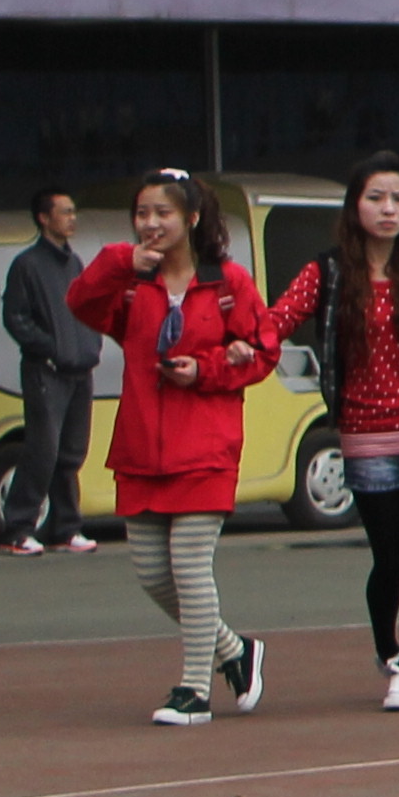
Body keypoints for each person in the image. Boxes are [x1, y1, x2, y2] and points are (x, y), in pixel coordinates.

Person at [256, 153, 399, 712]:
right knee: (390, 557)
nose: (389, 209)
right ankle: (389, 650)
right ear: (354, 206)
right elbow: (276, 321)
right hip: (365, 433)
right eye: (376, 198)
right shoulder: (329, 271)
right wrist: (235, 343)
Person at [68, 172, 273, 726]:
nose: (151, 224)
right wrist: (120, 261)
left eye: (163, 213)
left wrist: (206, 369)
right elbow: (80, 302)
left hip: (205, 446)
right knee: (152, 574)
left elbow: (262, 350)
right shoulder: (131, 284)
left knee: (188, 565)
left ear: (192, 219)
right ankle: (235, 650)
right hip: (140, 447)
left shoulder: (227, 282)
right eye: (142, 214)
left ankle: (193, 691)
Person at [0, 186, 101, 552]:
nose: (72, 218)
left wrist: (89, 344)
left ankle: (66, 528)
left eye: (74, 211)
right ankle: (18, 528)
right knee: (42, 450)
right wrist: (51, 349)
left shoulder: (74, 263)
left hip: (79, 369)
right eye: (65, 212)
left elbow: (86, 309)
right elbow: (15, 317)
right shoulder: (27, 265)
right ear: (44, 218)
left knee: (71, 452)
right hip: (45, 371)